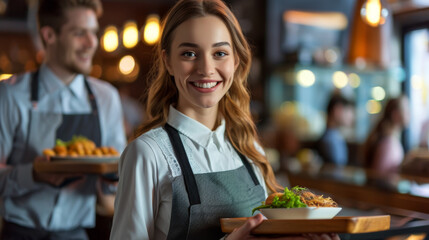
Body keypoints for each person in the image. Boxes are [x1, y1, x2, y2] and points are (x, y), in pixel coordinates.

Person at [110, 1, 339, 240]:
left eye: (219, 53)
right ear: (168, 61)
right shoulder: (147, 154)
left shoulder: (249, 148)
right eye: (189, 53)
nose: (206, 69)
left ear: (235, 60)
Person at [0, 0, 126, 239]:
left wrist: (113, 177)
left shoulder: (105, 97)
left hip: (76, 233)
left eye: (93, 33)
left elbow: (117, 177)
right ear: (49, 35)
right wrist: (34, 174)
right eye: (80, 33)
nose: (92, 43)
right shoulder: (10, 94)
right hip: (19, 232)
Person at [362, 95, 409, 174]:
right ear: (395, 114)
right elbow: (378, 177)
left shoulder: (388, 138)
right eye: (406, 110)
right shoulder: (388, 143)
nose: (409, 114)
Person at [317, 93, 354, 167]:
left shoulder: (335, 137)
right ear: (337, 110)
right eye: (348, 111)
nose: (352, 116)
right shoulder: (330, 141)